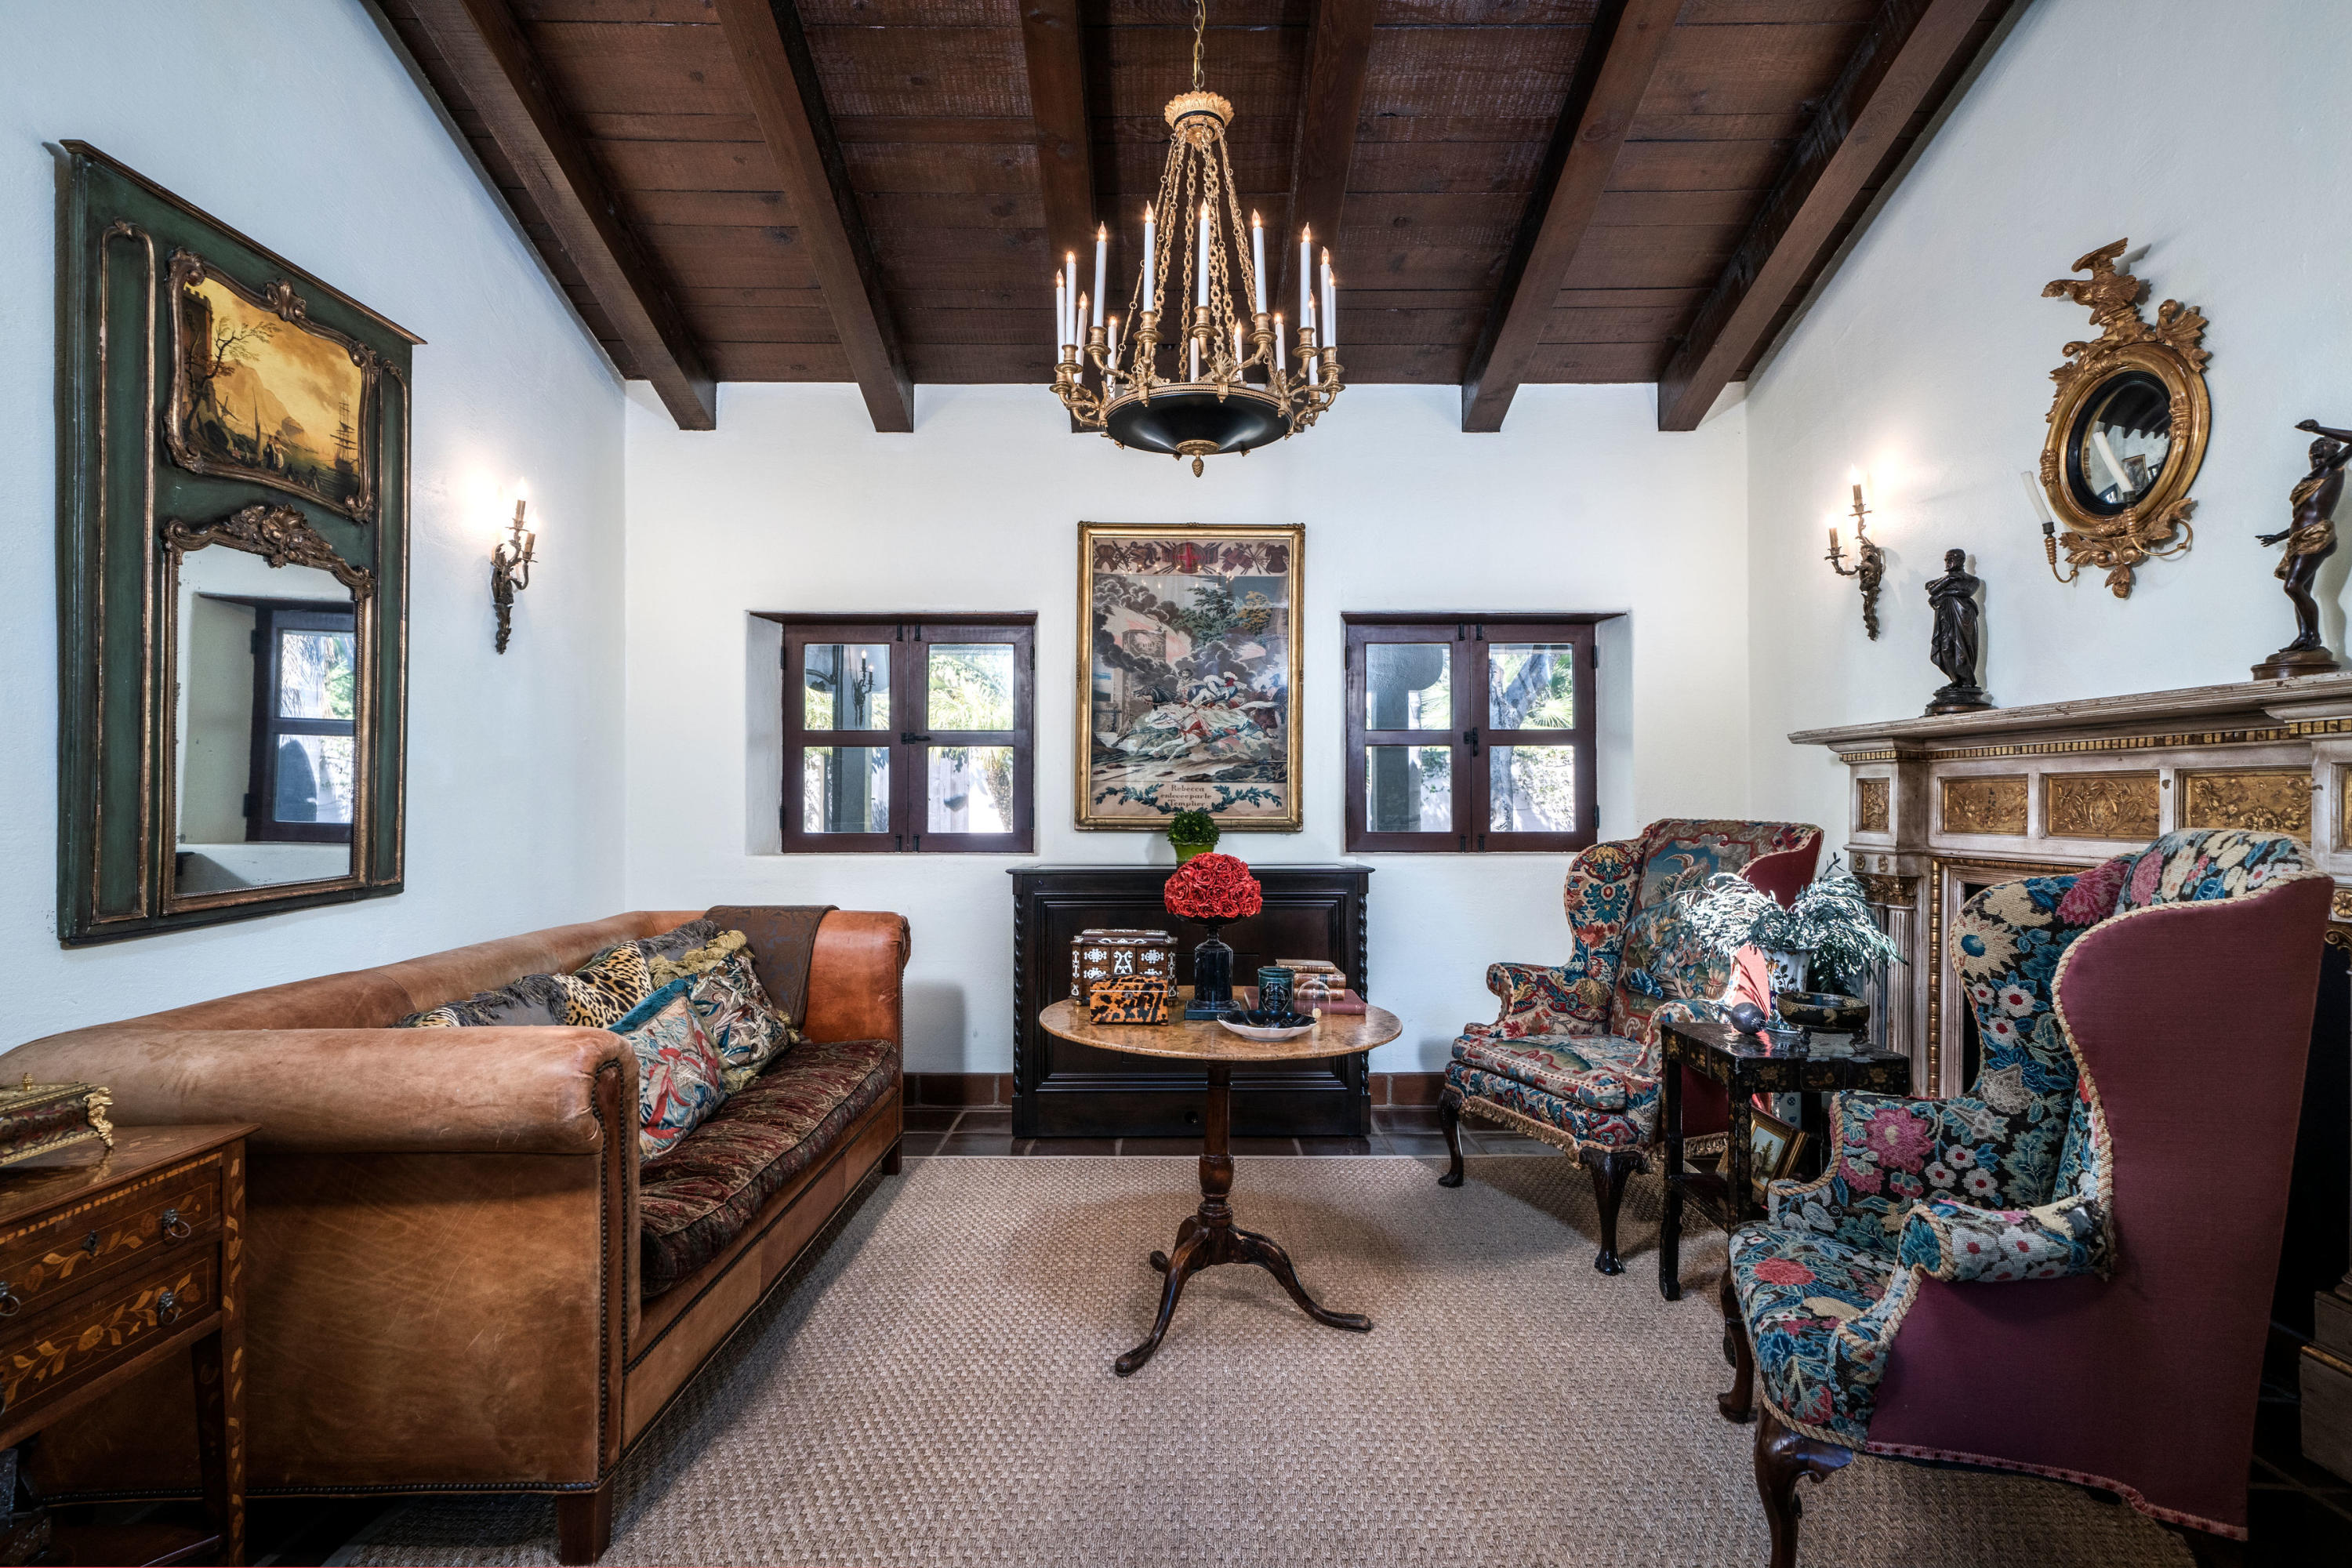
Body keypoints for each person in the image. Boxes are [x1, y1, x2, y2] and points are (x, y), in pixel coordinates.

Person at [2257, 419, 2352, 653]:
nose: (2316, 446)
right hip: (2299, 537)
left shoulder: (2332, 469)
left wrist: (2318, 429)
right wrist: (2278, 537)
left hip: (2317, 535)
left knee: (2293, 587)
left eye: (2323, 443)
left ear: (2334, 450)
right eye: (2314, 444)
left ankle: (2314, 638)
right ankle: (2304, 637)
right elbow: (2302, 516)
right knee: (2302, 591)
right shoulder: (2312, 477)